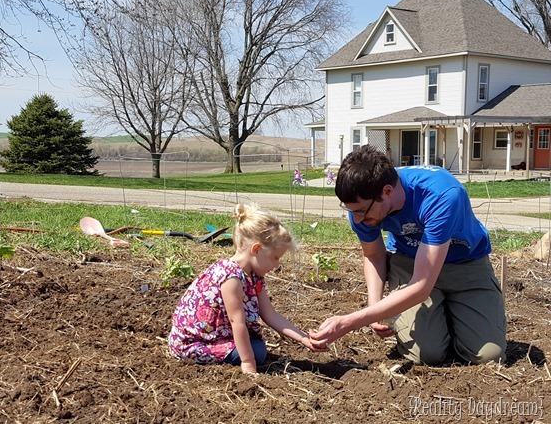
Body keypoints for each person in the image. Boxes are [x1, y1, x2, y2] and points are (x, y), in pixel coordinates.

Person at [309, 145, 506, 365]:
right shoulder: (361, 207)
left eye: (361, 211)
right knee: (427, 355)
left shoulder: (441, 195)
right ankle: (440, 323)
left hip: (465, 265)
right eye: (350, 210)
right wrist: (374, 308)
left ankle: (454, 315)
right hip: (410, 262)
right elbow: (374, 255)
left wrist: (350, 322)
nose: (356, 220)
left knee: (489, 356)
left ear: (387, 192)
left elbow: (421, 286)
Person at [168, 203, 316, 375]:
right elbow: (236, 323)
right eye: (275, 258)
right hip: (193, 344)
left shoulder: (254, 276)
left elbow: (270, 314)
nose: (277, 265)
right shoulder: (231, 278)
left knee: (257, 348)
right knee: (258, 352)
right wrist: (248, 362)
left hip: (215, 336)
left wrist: (303, 338)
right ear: (257, 249)